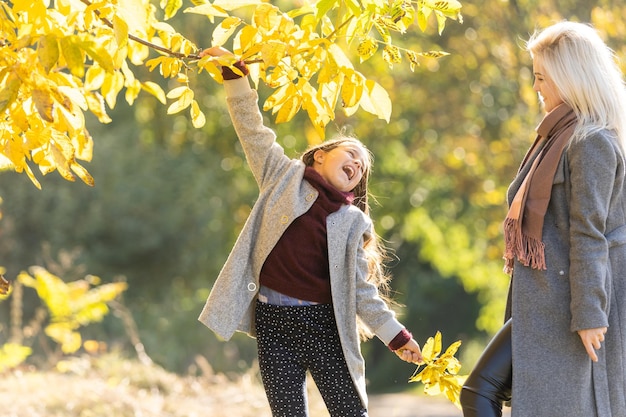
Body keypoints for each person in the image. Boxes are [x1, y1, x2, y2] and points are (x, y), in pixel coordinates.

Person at [197, 46, 423, 417]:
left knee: (351, 412)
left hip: (324, 327)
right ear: (320, 155)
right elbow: (253, 130)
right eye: (350, 153)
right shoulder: (280, 176)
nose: (356, 162)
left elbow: (362, 292)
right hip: (273, 322)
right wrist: (234, 76)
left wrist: (397, 337)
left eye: (362, 166)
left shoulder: (351, 221)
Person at [460, 21, 626, 417]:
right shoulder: (558, 136)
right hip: (545, 300)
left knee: (480, 393)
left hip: (568, 304)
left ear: (571, 78)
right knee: (486, 394)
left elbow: (590, 232)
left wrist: (588, 314)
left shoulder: (591, 142)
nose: (535, 87)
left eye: (540, 77)